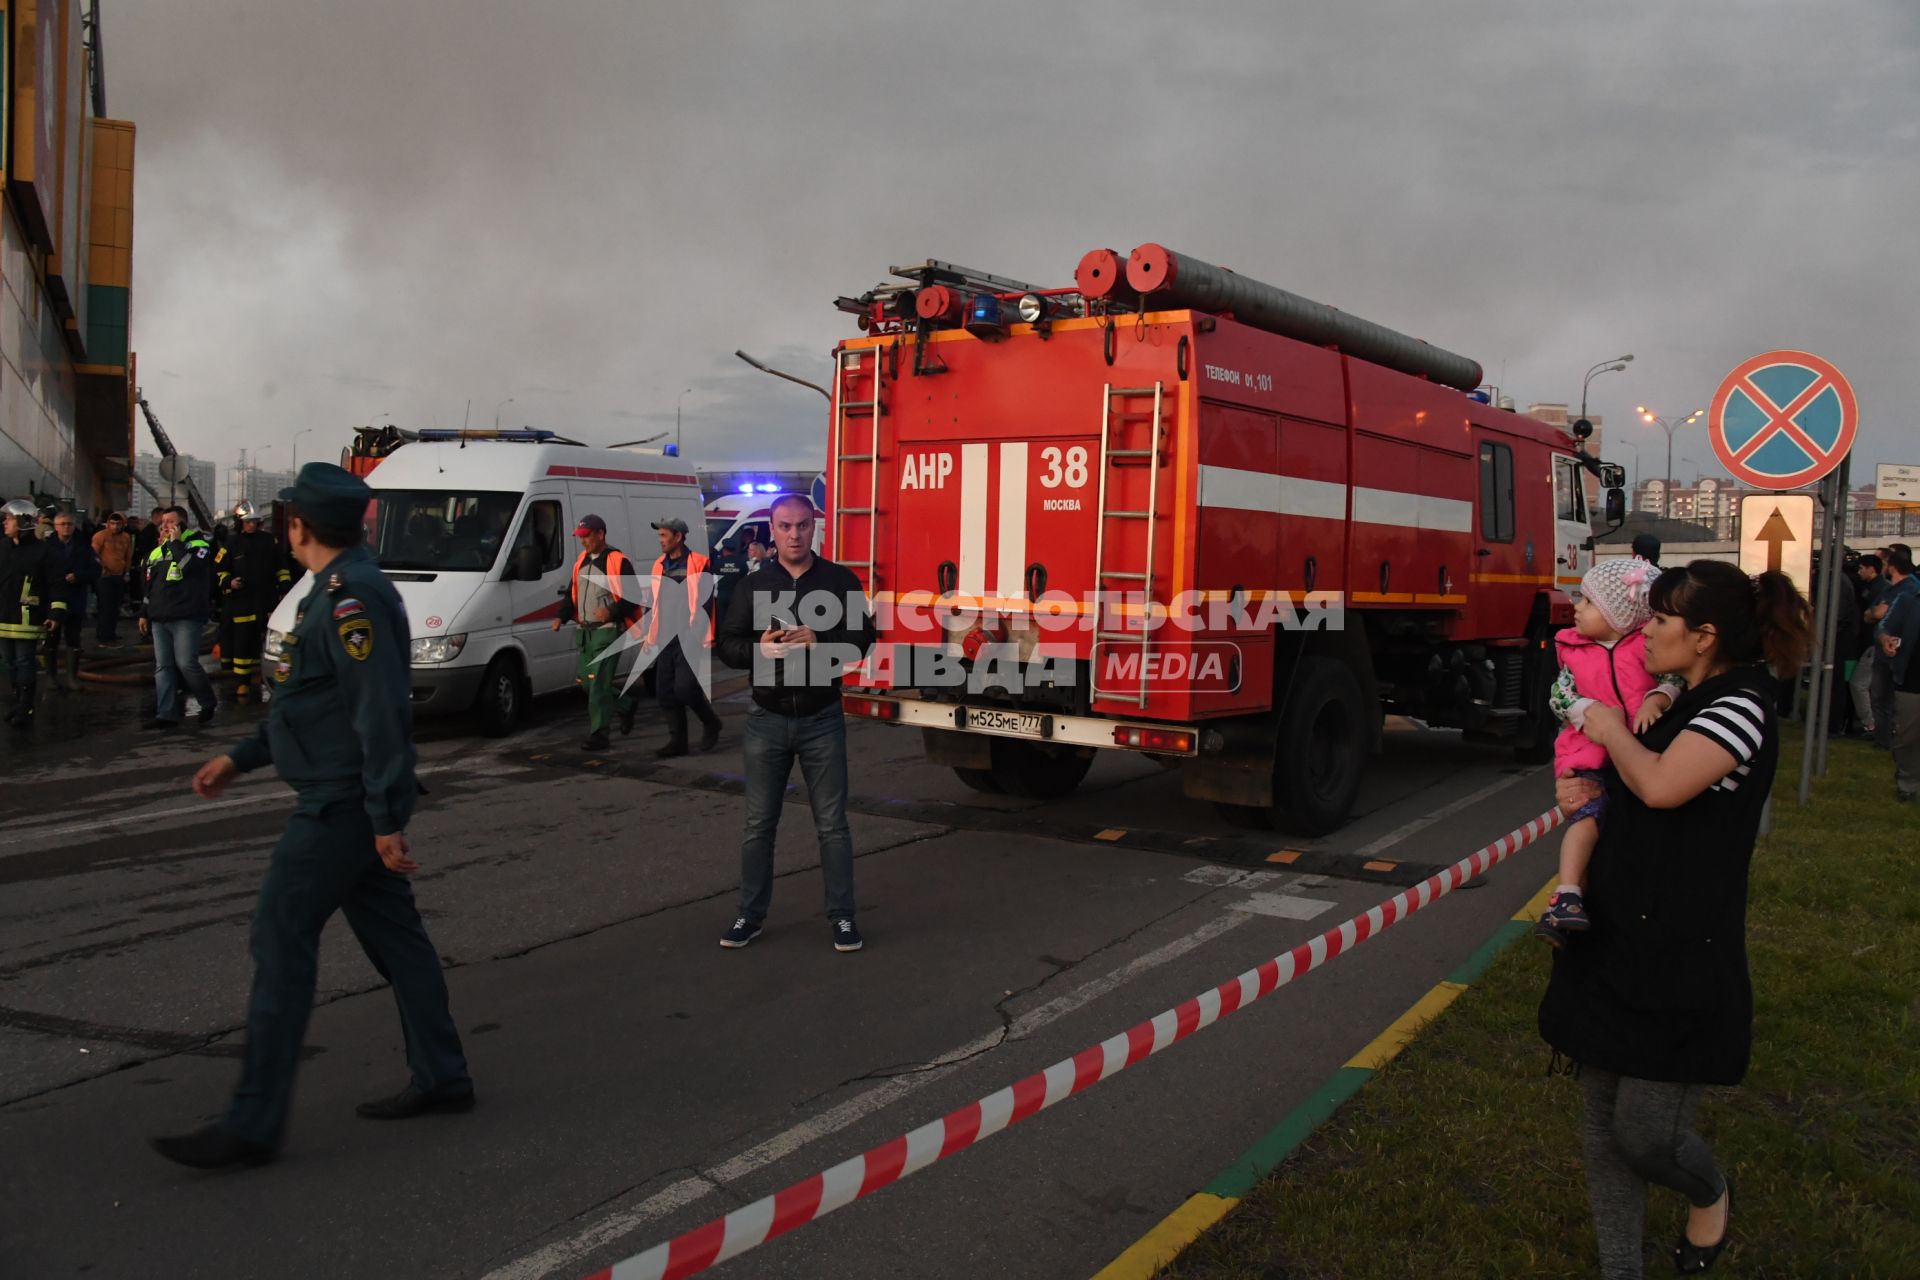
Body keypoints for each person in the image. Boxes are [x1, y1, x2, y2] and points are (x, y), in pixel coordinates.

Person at [150, 463, 472, 1171]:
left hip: (340, 806)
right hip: (345, 798)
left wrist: (386, 817)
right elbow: (309, 705)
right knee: (400, 944)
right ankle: (444, 1076)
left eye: (286, 519)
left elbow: (380, 713)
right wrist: (239, 758)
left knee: (279, 937)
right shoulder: (329, 591)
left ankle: (253, 1123)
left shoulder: (352, 596)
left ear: (299, 525)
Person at [1540, 559, 1811, 1279]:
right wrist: (1587, 796)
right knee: (1603, 1125)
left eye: (1660, 621)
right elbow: (1631, 787)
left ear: (1704, 637)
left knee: (1646, 1131)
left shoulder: (1741, 704)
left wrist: (1602, 724)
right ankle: (1620, 1269)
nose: (1646, 630)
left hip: (1681, 954)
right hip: (1617, 935)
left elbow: (1660, 786)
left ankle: (1708, 1190)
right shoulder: (1680, 694)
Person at [715, 493, 874, 952]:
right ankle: (749, 914)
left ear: (813, 528)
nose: (794, 534)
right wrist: (758, 650)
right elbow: (727, 644)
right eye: (785, 526)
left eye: (803, 525)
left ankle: (843, 918)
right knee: (759, 825)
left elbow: (863, 638)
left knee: (832, 826)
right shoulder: (752, 585)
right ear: (771, 528)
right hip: (766, 718)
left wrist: (821, 638)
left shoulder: (839, 580)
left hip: (822, 718)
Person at [1535, 557, 1680, 944]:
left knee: (1614, 830)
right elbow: (1559, 696)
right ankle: (1566, 894)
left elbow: (1673, 680)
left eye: (1587, 601)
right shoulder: (1572, 650)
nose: (1576, 608)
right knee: (1587, 819)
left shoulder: (1646, 650)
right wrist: (1587, 712)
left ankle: (1573, 908)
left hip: (1630, 756)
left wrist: (1658, 698)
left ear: (1618, 615)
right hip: (1585, 755)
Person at [551, 513, 642, 751]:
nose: (583, 541)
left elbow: (634, 598)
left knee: (599, 684)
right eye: (580, 537)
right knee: (586, 681)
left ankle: (600, 734)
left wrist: (611, 612)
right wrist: (561, 616)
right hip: (585, 633)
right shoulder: (580, 562)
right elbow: (572, 595)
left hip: (608, 632)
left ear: (600, 534)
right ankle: (625, 704)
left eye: (587, 536)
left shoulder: (617, 561)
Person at [643, 516, 721, 757]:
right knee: (665, 691)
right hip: (665, 637)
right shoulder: (658, 565)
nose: (660, 541)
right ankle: (678, 742)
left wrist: (700, 633)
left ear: (678, 537)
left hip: (689, 633)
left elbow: (707, 601)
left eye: (664, 536)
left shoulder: (698, 562)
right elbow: (652, 601)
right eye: (659, 536)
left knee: (685, 689)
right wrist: (648, 633)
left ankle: (711, 722)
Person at [137, 507, 219, 730]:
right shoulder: (156, 552)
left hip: (186, 616)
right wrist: (144, 613)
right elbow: (149, 586)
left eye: (170, 522)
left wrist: (175, 544)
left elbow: (189, 567)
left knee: (186, 663)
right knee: (163, 666)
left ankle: (207, 702)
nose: (165, 526)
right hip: (159, 616)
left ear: (182, 524)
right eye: (163, 522)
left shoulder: (198, 544)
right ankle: (166, 714)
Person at [1, 498, 59, 728]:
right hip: (3, 617)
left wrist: (55, 613)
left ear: (23, 522)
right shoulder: (2, 547)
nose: (5, 522)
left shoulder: (44, 552)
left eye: (9, 519)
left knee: (25, 662)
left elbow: (56, 584)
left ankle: (26, 707)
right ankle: (18, 703)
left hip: (27, 617)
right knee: (9, 663)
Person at [215, 501, 280, 701]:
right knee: (242, 641)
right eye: (248, 521)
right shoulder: (231, 544)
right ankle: (242, 681)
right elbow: (218, 570)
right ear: (240, 523)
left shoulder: (269, 541)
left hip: (265, 599)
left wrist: (284, 588)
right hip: (241, 601)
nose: (252, 525)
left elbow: (281, 566)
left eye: (254, 521)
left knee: (267, 641)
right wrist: (229, 581)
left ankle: (261, 675)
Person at [41, 511, 99, 692]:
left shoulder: (84, 546)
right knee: (51, 639)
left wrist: (79, 576)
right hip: (53, 600)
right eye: (63, 524)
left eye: (69, 524)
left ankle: (72, 678)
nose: (67, 527)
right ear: (56, 527)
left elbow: (95, 570)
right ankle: (51, 677)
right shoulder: (47, 547)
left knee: (73, 639)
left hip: (75, 597)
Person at [1864, 546, 1914, 749]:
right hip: (1881, 653)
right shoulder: (1889, 589)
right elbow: (1871, 615)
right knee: (1878, 696)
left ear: (1891, 567)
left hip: (1899, 654)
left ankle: (1893, 737)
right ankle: (1882, 738)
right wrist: (1876, 613)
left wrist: (1877, 613)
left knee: (1893, 699)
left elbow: (1877, 615)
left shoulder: (1909, 590)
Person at [1884, 570, 1920, 802]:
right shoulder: (1909, 600)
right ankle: (1907, 782)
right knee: (1908, 736)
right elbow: (1885, 628)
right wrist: (1885, 639)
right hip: (1912, 680)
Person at [92, 512, 134, 646]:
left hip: (119, 576)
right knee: (105, 607)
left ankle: (111, 633)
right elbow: (94, 554)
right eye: (113, 523)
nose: (115, 526)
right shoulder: (101, 536)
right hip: (104, 577)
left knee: (115, 607)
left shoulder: (126, 537)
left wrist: (127, 572)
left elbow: (128, 556)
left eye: (118, 524)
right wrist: (102, 568)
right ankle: (104, 636)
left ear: (123, 524)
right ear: (108, 523)